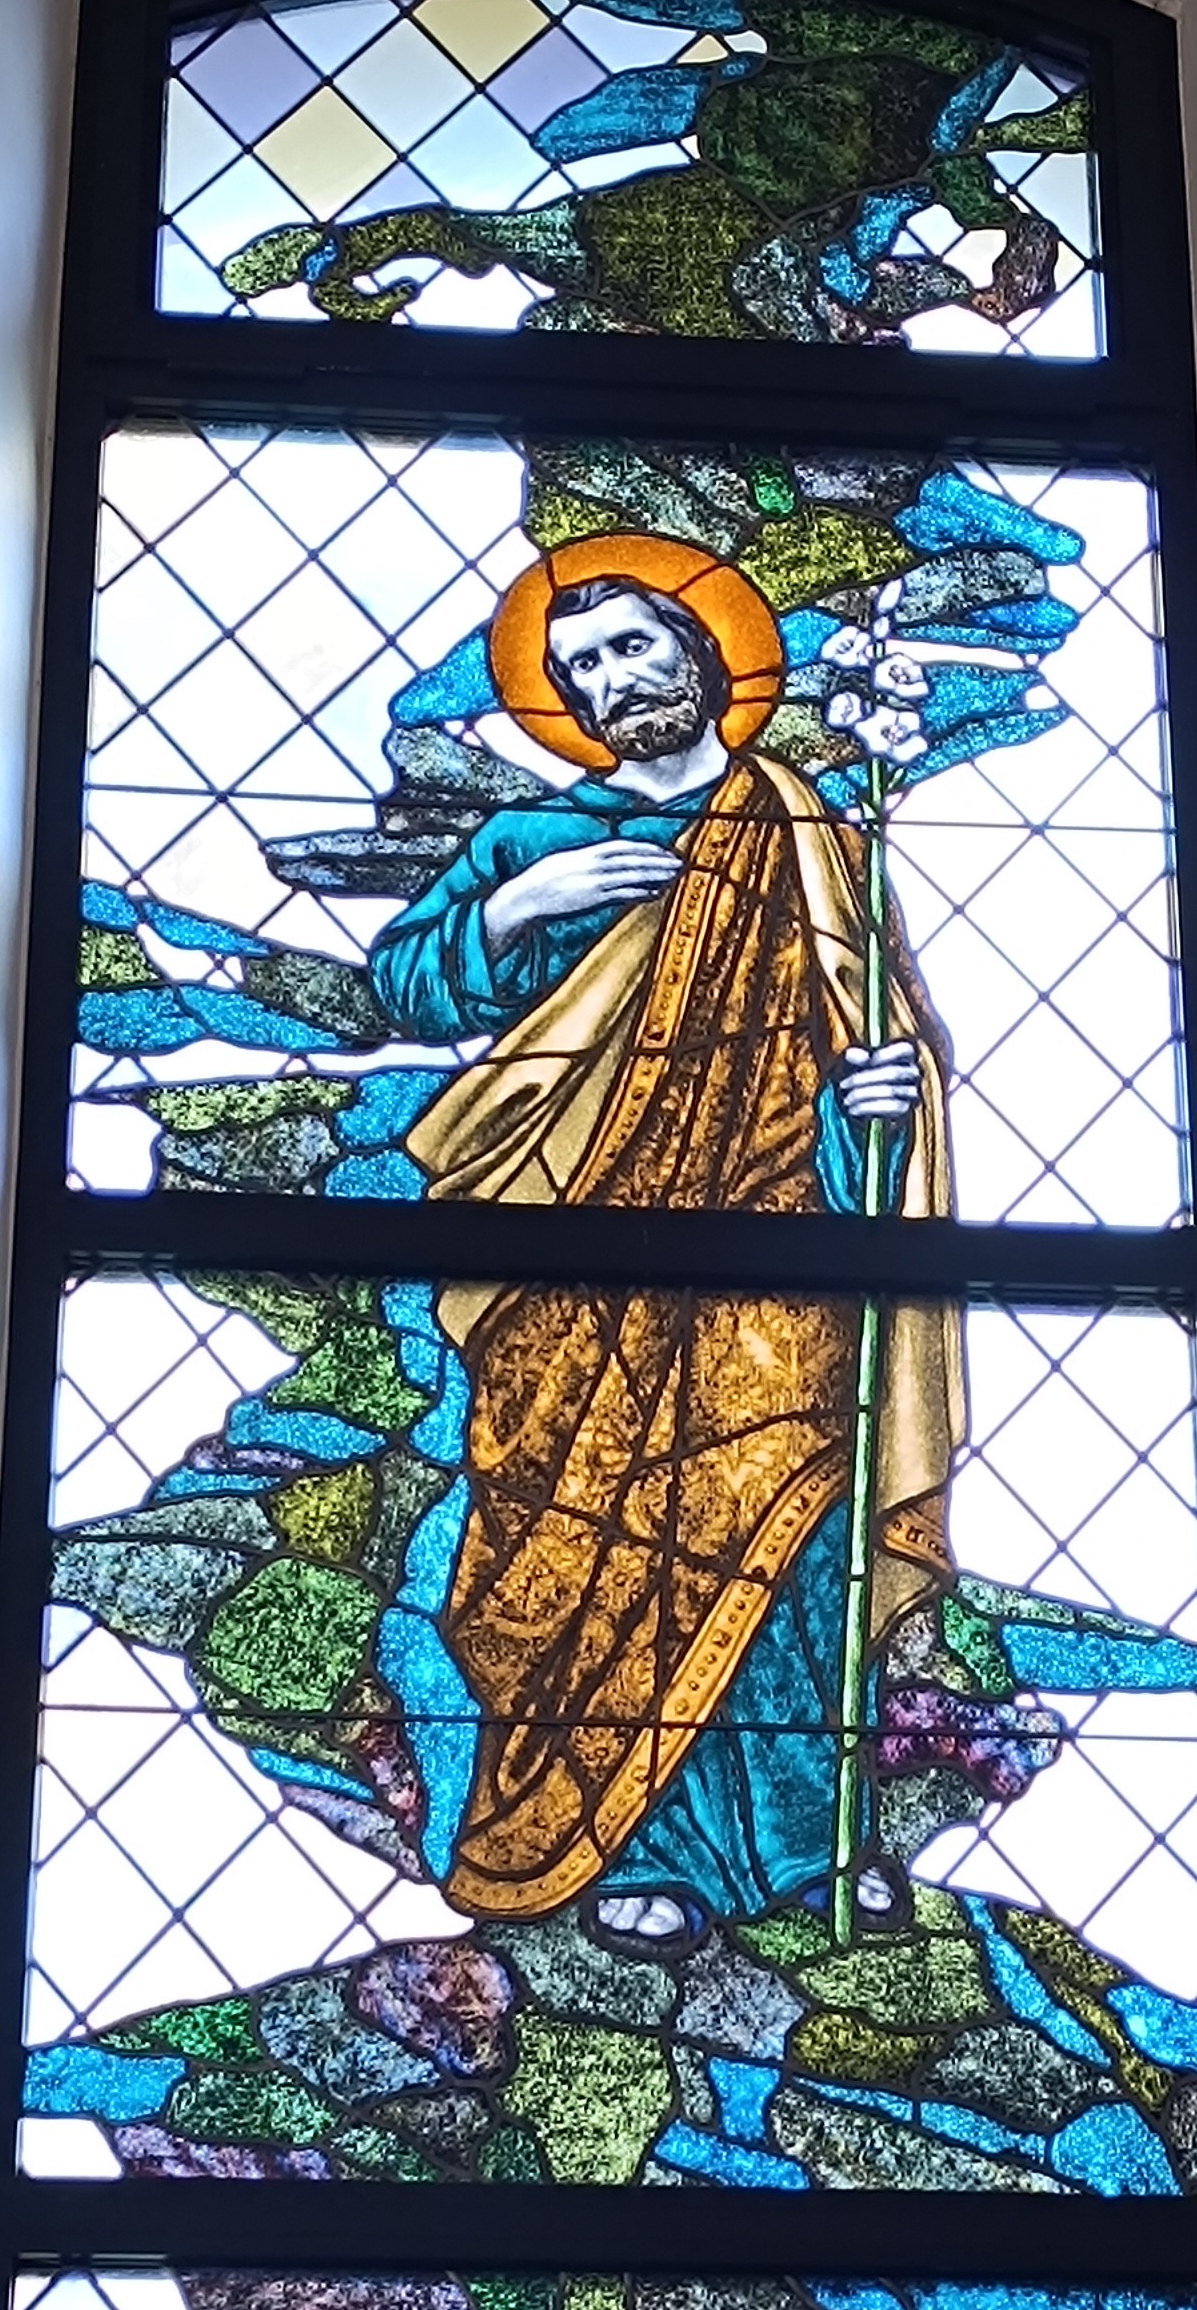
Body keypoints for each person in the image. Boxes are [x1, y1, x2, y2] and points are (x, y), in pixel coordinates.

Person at [364, 535, 965, 1949]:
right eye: (579, 666)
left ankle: (812, 1840)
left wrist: (881, 1103)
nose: (608, 681)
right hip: (576, 1265)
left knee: (785, 1522)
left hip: (781, 1242)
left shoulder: (812, 834)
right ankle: (626, 1843)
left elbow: (879, 1027)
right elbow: (404, 980)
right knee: (584, 1537)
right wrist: (524, 903)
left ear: (703, 653)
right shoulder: (534, 840)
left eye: (633, 646)